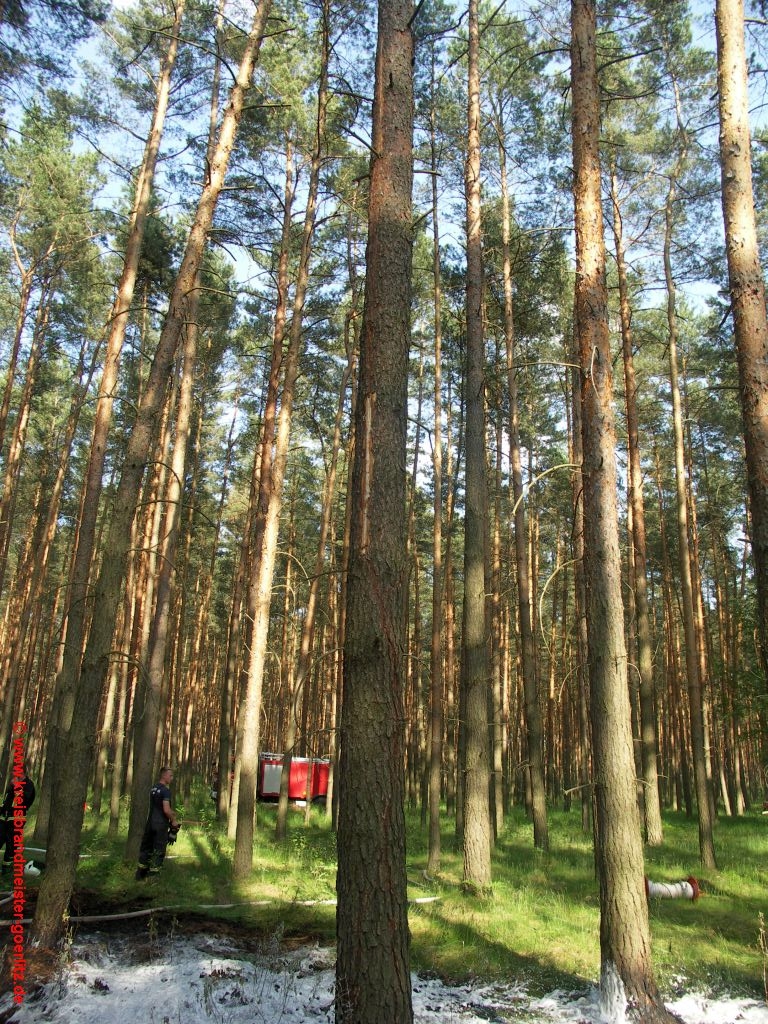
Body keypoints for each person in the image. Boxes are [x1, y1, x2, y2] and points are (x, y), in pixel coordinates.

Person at [135, 766, 179, 880]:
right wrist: (174, 821)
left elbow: (158, 807)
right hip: (160, 825)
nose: (172, 778)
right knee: (159, 850)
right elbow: (166, 810)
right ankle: (153, 878)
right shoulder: (166, 791)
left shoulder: (153, 789)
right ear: (164, 775)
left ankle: (140, 875)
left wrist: (171, 813)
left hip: (150, 823)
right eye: (170, 776)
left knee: (146, 849)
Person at [0, 765, 35, 875]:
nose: (12, 773)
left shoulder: (29, 785)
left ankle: (6, 869)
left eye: (15, 771)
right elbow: (6, 801)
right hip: (4, 818)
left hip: (17, 820)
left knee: (11, 845)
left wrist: (17, 786)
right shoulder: (12, 784)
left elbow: (24, 800)